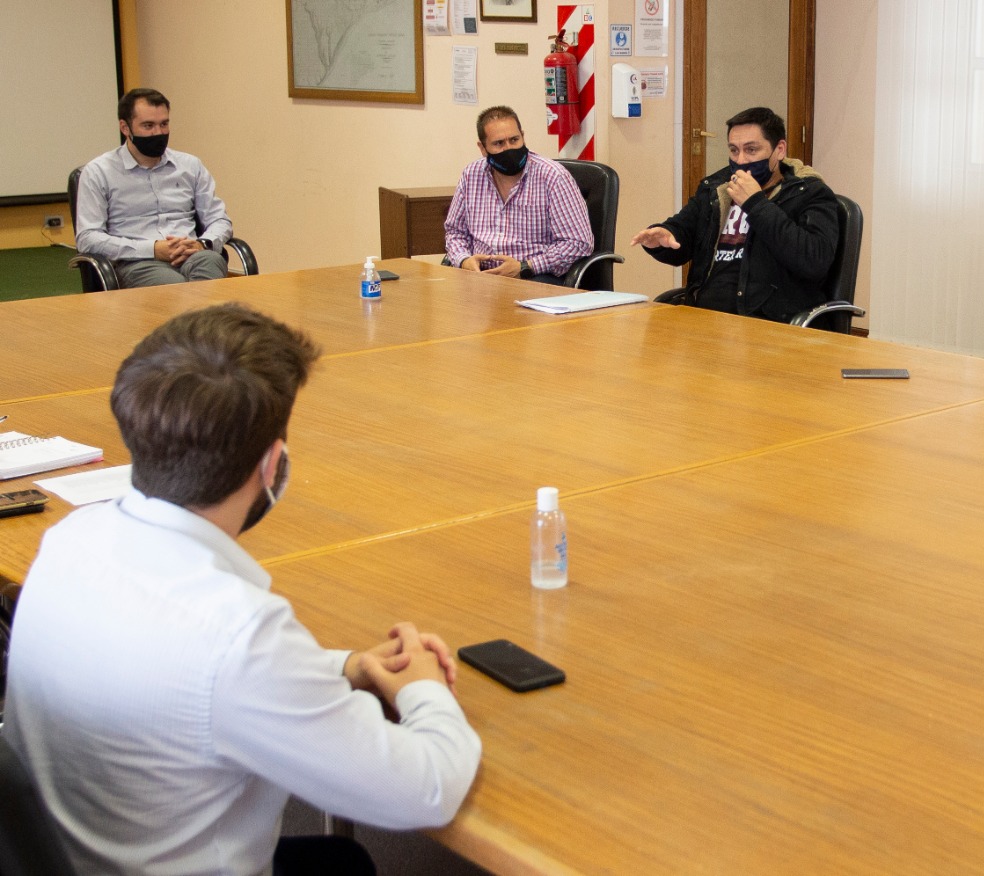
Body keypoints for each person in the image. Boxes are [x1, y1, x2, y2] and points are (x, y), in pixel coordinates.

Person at [2, 303, 482, 876]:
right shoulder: (238, 632)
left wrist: (345, 668)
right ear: (272, 464)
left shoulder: (71, 539)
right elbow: (429, 788)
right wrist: (425, 689)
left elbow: (195, 676)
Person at [630, 106, 839, 322]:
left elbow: (814, 260)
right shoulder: (717, 187)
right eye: (733, 150)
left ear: (779, 150)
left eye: (751, 150)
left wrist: (756, 204)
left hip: (766, 321)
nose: (740, 161)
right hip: (704, 317)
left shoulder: (809, 193)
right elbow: (683, 235)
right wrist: (664, 237)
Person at [76, 87, 235, 288]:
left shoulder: (190, 166)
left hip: (192, 254)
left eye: (164, 124)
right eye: (148, 126)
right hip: (137, 262)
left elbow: (219, 219)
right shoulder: (99, 172)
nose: (158, 133)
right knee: (175, 287)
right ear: (125, 128)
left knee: (212, 263)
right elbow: (88, 238)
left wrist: (203, 243)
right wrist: (152, 249)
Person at [444, 105, 593, 284]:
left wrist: (525, 267)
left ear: (523, 136)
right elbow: (455, 232)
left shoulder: (553, 177)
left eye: (514, 140)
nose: (509, 149)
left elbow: (578, 243)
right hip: (480, 277)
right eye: (499, 143)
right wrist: (464, 260)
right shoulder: (471, 175)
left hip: (535, 278)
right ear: (483, 148)